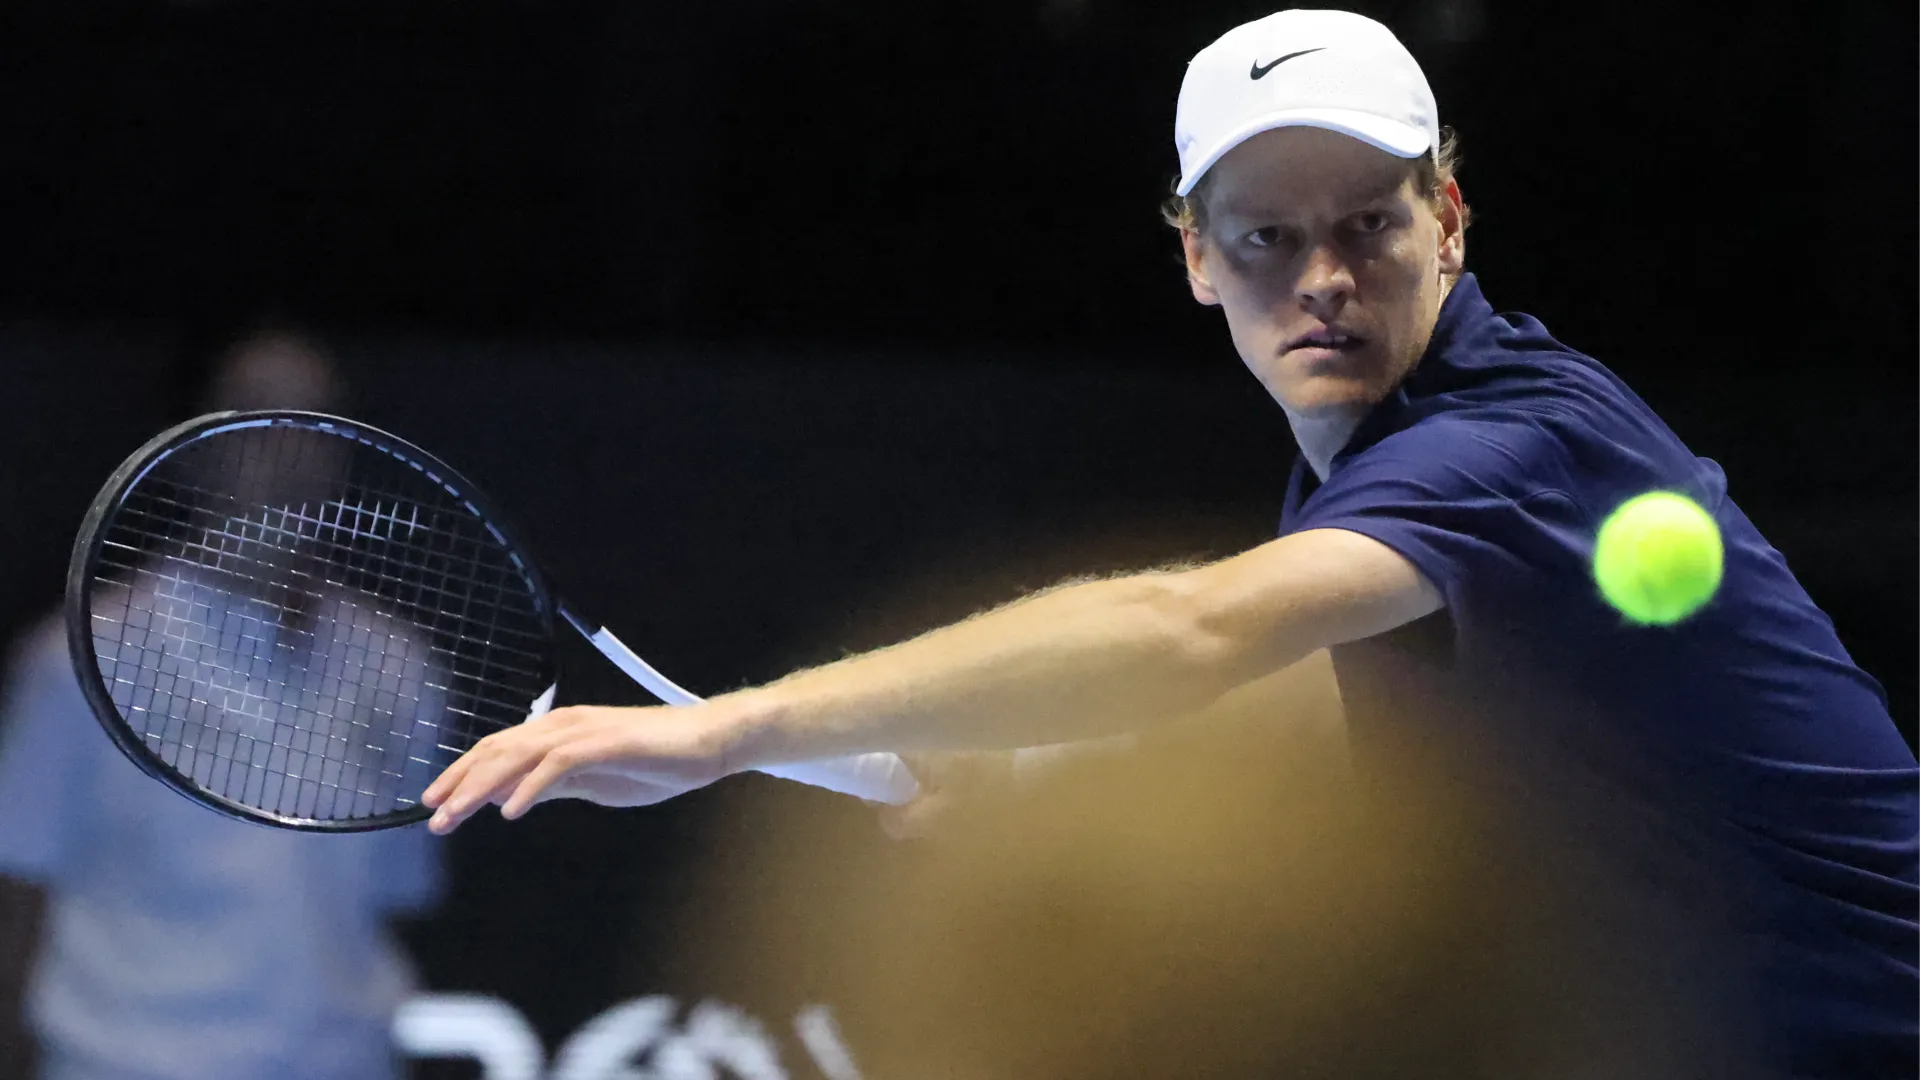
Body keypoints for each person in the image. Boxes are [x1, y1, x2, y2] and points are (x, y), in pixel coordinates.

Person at [421, 9, 1920, 1073]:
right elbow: (1307, 702)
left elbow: (1188, 631)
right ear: (1199, 256)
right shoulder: (1384, 479)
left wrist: (724, 735)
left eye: (1371, 223)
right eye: (1268, 234)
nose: (1322, 276)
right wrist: (1026, 770)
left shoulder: (1516, 441)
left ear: (1450, 221)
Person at [0, 328, 443, 1080]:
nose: (290, 452)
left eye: (316, 422)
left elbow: (392, 898)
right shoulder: (77, 659)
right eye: (256, 415)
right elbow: (19, 892)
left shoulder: (403, 668)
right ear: (190, 447)